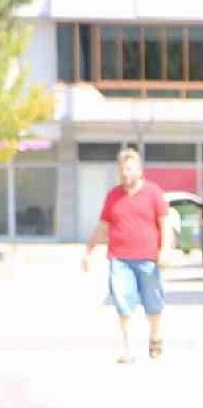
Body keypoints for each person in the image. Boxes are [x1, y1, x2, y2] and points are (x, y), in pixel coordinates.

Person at [82, 149, 170, 363]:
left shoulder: (153, 193)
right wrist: (89, 250)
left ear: (140, 171)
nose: (125, 174)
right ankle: (129, 349)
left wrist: (165, 250)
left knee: (153, 301)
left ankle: (155, 337)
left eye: (129, 169)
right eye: (122, 170)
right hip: (119, 259)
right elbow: (103, 226)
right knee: (123, 303)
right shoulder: (113, 196)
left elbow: (164, 223)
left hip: (148, 258)